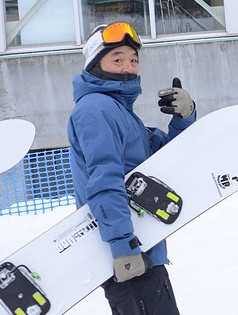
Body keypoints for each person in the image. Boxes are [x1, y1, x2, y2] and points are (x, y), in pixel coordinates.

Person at [67, 22, 196, 315]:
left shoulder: (120, 112)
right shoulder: (95, 111)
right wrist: (123, 247)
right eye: (118, 59)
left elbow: (165, 161)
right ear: (95, 64)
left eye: (133, 60)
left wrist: (184, 117)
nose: (128, 67)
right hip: (127, 252)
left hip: (143, 244)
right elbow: (104, 182)